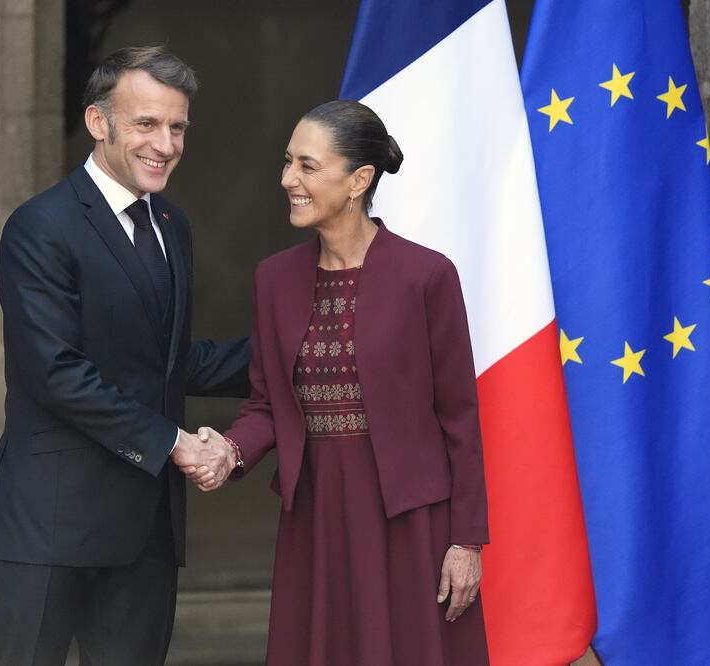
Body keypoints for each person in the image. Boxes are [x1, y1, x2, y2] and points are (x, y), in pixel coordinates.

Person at [0, 46, 249, 666]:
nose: (166, 144)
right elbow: (54, 372)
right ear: (99, 123)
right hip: (47, 527)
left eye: (177, 127)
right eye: (146, 123)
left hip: (145, 536)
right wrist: (176, 443)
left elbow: (164, 360)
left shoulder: (172, 224)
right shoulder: (40, 226)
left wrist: (302, 357)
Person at [188, 100, 490, 665]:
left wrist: (466, 540)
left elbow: (460, 416)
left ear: (358, 180)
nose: (288, 179)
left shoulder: (427, 275)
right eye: (288, 162)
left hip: (410, 521)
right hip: (317, 515)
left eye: (307, 166)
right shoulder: (273, 279)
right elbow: (267, 404)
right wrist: (229, 451)